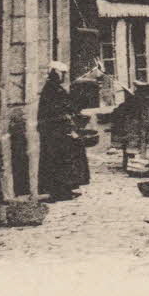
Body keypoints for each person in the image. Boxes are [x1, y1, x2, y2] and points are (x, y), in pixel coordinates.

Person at [37, 63, 89, 201]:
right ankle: (60, 192)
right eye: (62, 73)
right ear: (54, 73)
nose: (63, 77)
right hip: (54, 131)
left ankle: (67, 188)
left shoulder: (55, 88)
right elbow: (54, 111)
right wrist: (68, 123)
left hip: (58, 129)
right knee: (59, 161)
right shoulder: (51, 90)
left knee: (65, 159)